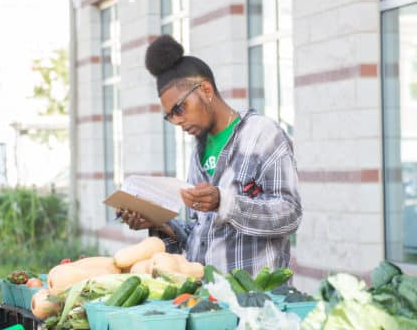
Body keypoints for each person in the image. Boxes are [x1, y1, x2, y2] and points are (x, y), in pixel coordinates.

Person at [118, 34, 302, 276]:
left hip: (254, 302)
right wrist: (159, 223)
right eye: (169, 116)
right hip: (208, 302)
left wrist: (224, 203)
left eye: (179, 109)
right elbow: (200, 236)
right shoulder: (198, 154)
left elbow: (289, 214)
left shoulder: (262, 135)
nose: (177, 121)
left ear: (205, 90)